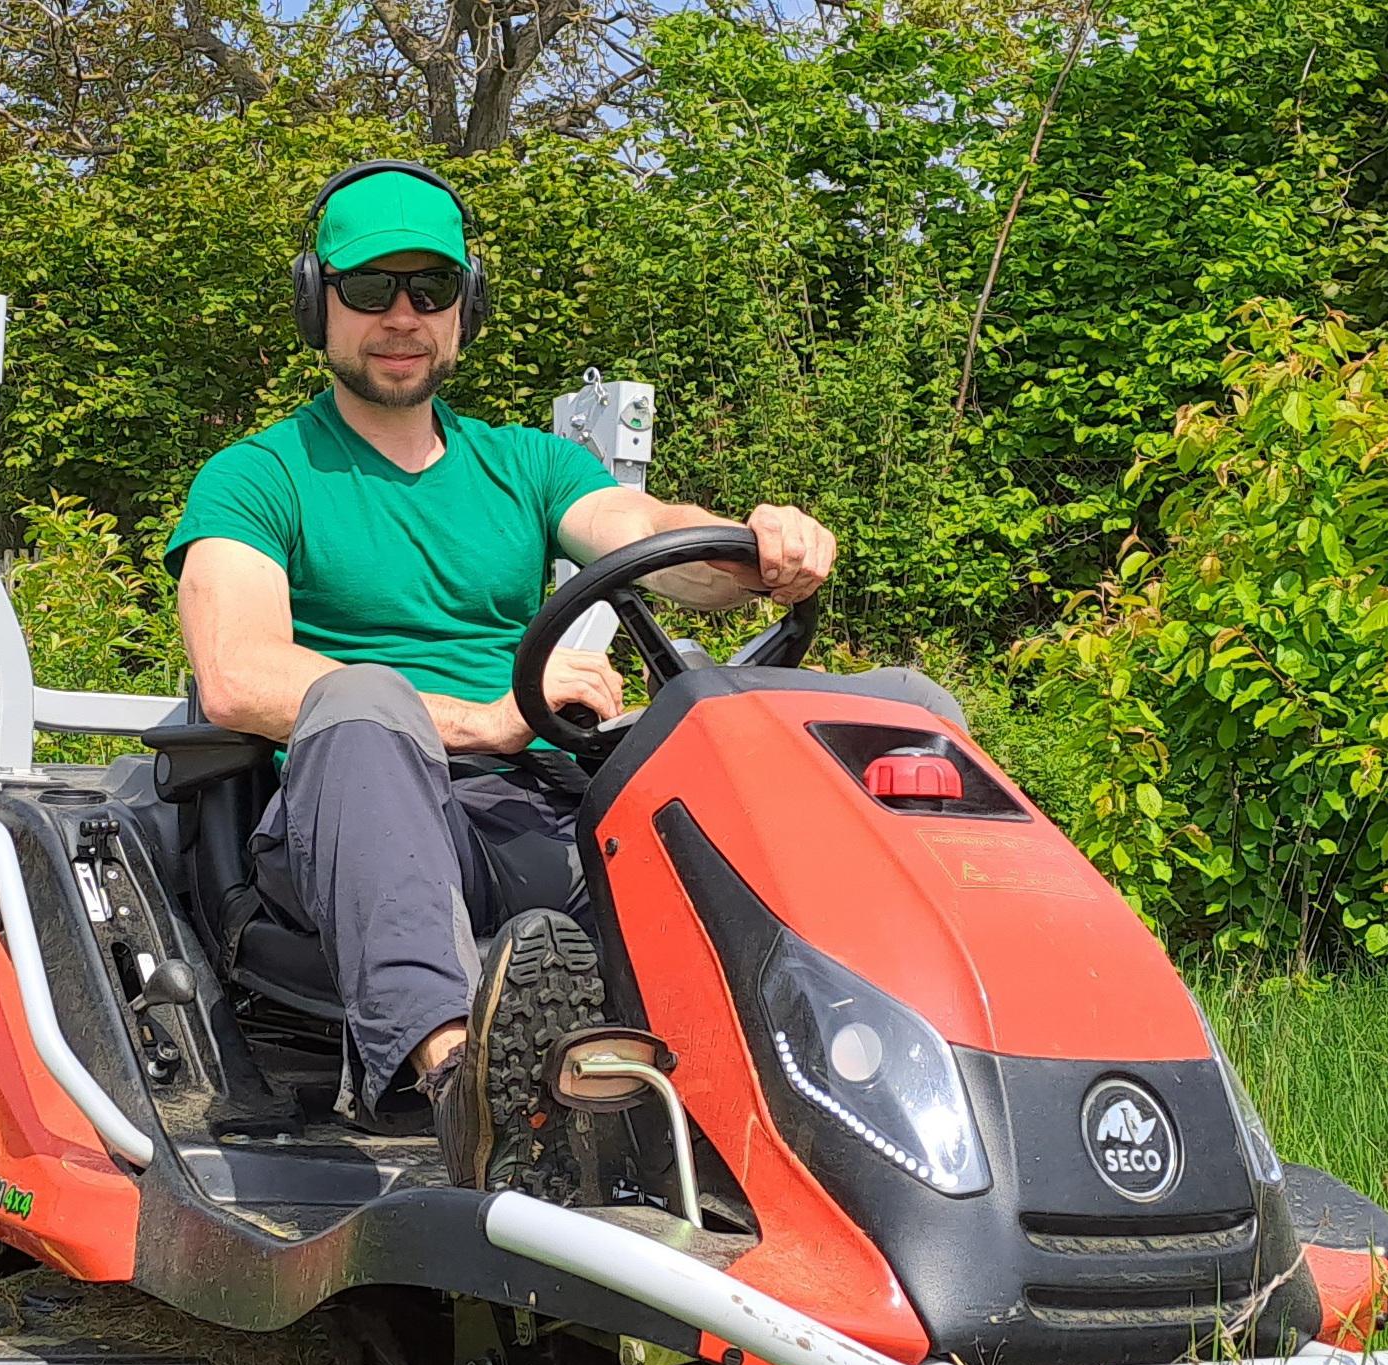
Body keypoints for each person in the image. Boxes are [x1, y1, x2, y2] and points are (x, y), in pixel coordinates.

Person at [166, 160, 957, 1196]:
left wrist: (754, 547)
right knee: (362, 698)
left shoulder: (525, 466)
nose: (401, 316)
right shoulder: (258, 476)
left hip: (537, 812)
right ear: (319, 302)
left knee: (896, 707)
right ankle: (466, 1088)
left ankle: (902, 1059)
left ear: (465, 307)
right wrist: (481, 719)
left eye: (429, 289)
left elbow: (644, 536)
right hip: (355, 819)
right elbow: (237, 674)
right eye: (368, 288)